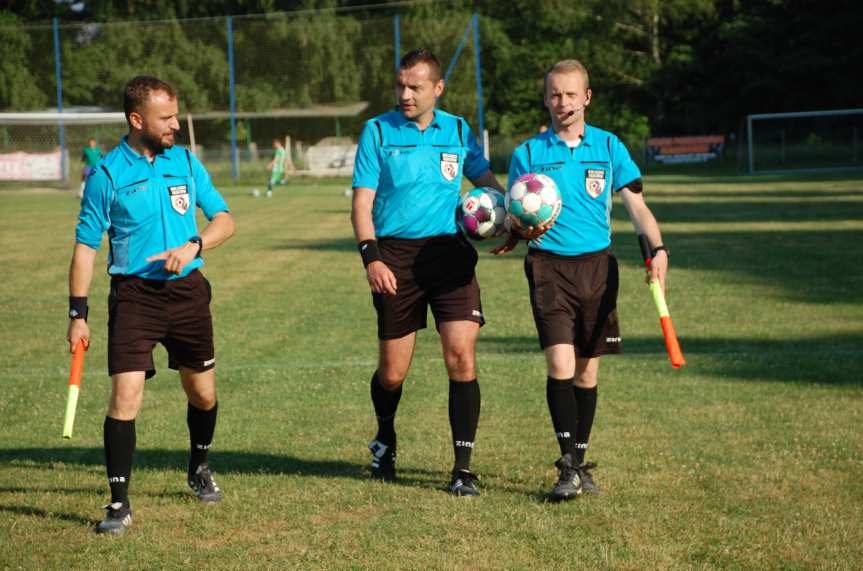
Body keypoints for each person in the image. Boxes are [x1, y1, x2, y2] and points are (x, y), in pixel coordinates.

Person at [66, 76, 235, 534]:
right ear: (137, 119)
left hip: (187, 293)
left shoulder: (185, 162)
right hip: (134, 298)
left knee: (203, 394)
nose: (176, 125)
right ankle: (118, 504)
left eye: (176, 115)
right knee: (125, 398)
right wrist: (77, 314)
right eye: (167, 118)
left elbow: (224, 220)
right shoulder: (105, 176)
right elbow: (85, 249)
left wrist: (194, 245)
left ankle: (198, 467)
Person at [498, 59, 671, 501]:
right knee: (561, 364)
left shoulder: (609, 147)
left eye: (571, 94)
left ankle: (580, 460)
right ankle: (568, 468)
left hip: (598, 268)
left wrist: (658, 250)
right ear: (546, 98)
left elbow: (637, 209)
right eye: (555, 94)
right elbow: (516, 217)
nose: (563, 102)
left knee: (587, 371)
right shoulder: (528, 154)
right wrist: (519, 230)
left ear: (587, 97)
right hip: (548, 267)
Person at [351, 48, 507, 496]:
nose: (405, 94)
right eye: (400, 85)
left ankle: (463, 468)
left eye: (415, 86)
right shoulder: (377, 131)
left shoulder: (458, 130)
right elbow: (362, 202)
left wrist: (513, 214)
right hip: (395, 258)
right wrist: (372, 257)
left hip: (449, 254)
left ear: (437, 88)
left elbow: (487, 185)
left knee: (461, 357)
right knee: (393, 374)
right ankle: (385, 435)